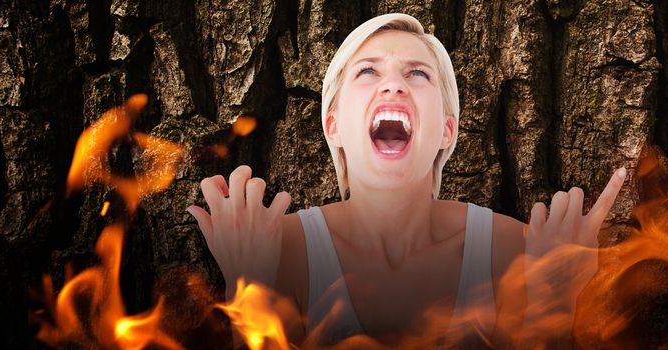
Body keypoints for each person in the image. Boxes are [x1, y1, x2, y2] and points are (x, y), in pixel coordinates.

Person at [186, 13, 626, 347]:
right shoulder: (275, 248)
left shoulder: (512, 252)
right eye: (368, 71)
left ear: (446, 131)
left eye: (417, 73)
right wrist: (249, 284)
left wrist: (556, 303)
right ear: (333, 126)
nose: (393, 85)